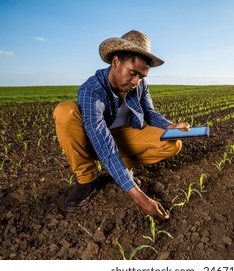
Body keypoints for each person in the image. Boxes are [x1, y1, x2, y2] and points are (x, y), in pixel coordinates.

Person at [53, 30, 190, 223]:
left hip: (122, 137)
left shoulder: (140, 85)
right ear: (116, 62)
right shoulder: (92, 89)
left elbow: (150, 113)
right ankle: (87, 181)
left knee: (172, 143)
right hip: (93, 141)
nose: (136, 82)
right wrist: (140, 197)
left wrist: (170, 125)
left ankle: (122, 169)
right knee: (65, 111)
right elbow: (104, 146)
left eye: (142, 76)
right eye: (133, 73)